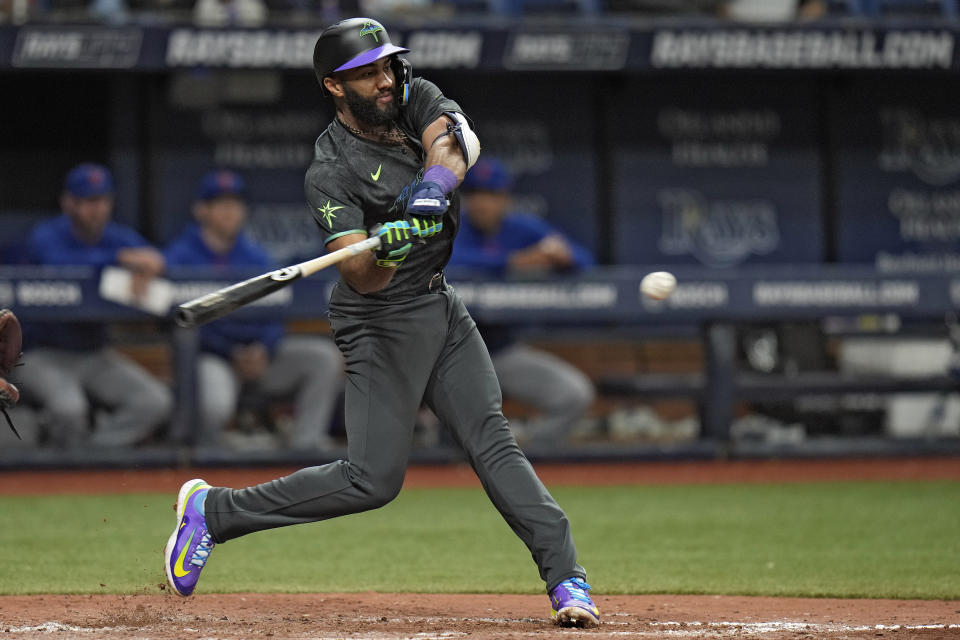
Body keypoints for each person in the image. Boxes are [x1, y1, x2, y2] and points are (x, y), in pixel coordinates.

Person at [163, 18, 600, 628]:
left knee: (491, 439)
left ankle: (567, 579)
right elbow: (361, 275)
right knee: (372, 480)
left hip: (437, 303)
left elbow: (453, 145)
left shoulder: (411, 94)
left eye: (387, 65)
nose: (384, 79)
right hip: (378, 315)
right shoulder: (329, 170)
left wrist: (431, 187)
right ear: (334, 87)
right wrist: (384, 247)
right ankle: (214, 512)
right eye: (366, 73)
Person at [164, 169, 345, 451]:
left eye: (235, 204)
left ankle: (305, 445)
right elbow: (185, 321)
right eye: (221, 204)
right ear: (202, 210)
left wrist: (264, 348)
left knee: (323, 358)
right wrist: (231, 351)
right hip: (215, 358)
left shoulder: (255, 255)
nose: (230, 212)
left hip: (261, 358)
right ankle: (212, 455)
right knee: (215, 403)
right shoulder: (180, 256)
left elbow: (276, 311)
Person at [20, 163, 173, 448]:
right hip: (41, 353)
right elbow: (61, 266)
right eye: (88, 201)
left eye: (101, 200)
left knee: (154, 401)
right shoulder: (47, 234)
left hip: (94, 353)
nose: (96, 209)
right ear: (68, 203)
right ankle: (62, 470)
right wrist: (121, 261)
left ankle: (92, 458)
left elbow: (156, 258)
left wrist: (152, 265)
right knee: (69, 409)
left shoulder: (115, 236)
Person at [448, 156, 596, 447]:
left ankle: (524, 464)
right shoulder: (450, 226)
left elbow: (581, 259)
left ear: (505, 199)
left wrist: (559, 258)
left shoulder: (521, 228)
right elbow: (448, 261)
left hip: (500, 352)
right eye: (475, 194)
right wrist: (511, 262)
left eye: (491, 195)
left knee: (574, 394)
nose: (482, 203)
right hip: (447, 356)